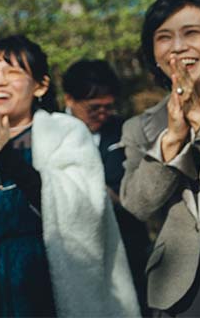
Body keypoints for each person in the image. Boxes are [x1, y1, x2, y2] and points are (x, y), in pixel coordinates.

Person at [0, 35, 137, 317]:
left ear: (40, 85)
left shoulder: (65, 132)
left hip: (45, 281)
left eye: (12, 72)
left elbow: (82, 210)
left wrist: (5, 151)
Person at [120, 0, 200, 317]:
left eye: (192, 33)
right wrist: (172, 140)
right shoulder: (140, 126)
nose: (178, 47)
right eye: (164, 37)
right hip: (174, 288)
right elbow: (137, 205)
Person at [63, 59, 149, 311]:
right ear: (70, 100)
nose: (102, 114)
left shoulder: (124, 131)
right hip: (72, 251)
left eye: (108, 107)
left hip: (125, 244)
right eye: (94, 108)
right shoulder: (50, 131)